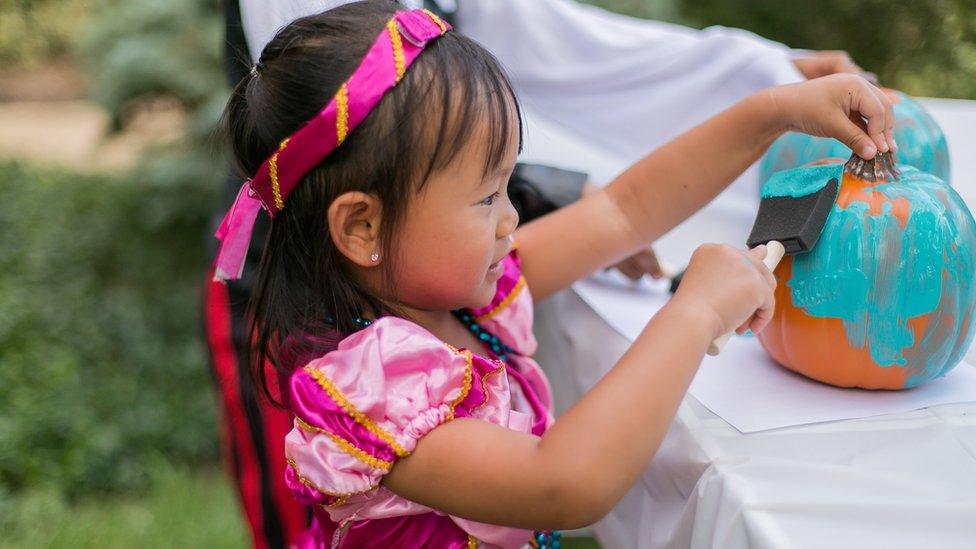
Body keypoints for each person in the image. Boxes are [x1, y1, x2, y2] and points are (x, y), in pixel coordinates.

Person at [213, 1, 895, 546]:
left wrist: (772, 111)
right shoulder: (380, 391)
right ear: (362, 227)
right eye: (486, 197)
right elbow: (565, 483)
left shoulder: (464, 299)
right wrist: (693, 314)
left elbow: (626, 211)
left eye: (509, 184)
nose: (511, 220)